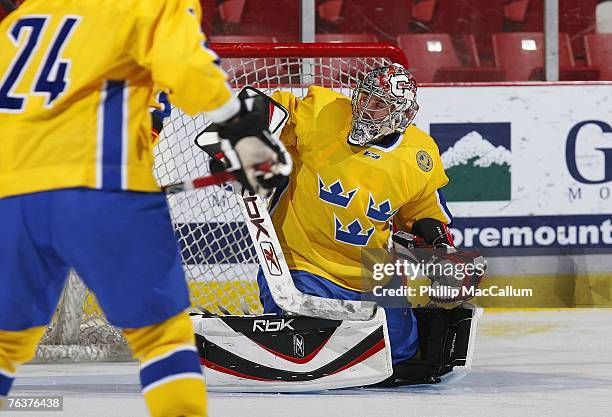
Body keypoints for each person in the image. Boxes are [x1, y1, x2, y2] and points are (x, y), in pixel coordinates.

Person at [0, 1, 289, 416]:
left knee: (5, 341)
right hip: (102, 186)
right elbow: (190, 69)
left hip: (12, 195)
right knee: (163, 338)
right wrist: (241, 130)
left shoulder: (23, 17)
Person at [257, 63, 456, 368]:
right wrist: (242, 143)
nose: (364, 108)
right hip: (302, 262)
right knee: (305, 341)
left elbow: (423, 212)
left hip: (370, 272)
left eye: (378, 104)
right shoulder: (323, 112)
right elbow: (273, 111)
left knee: (399, 353)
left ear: (401, 115)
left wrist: (439, 246)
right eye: (363, 97)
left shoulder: (419, 155)